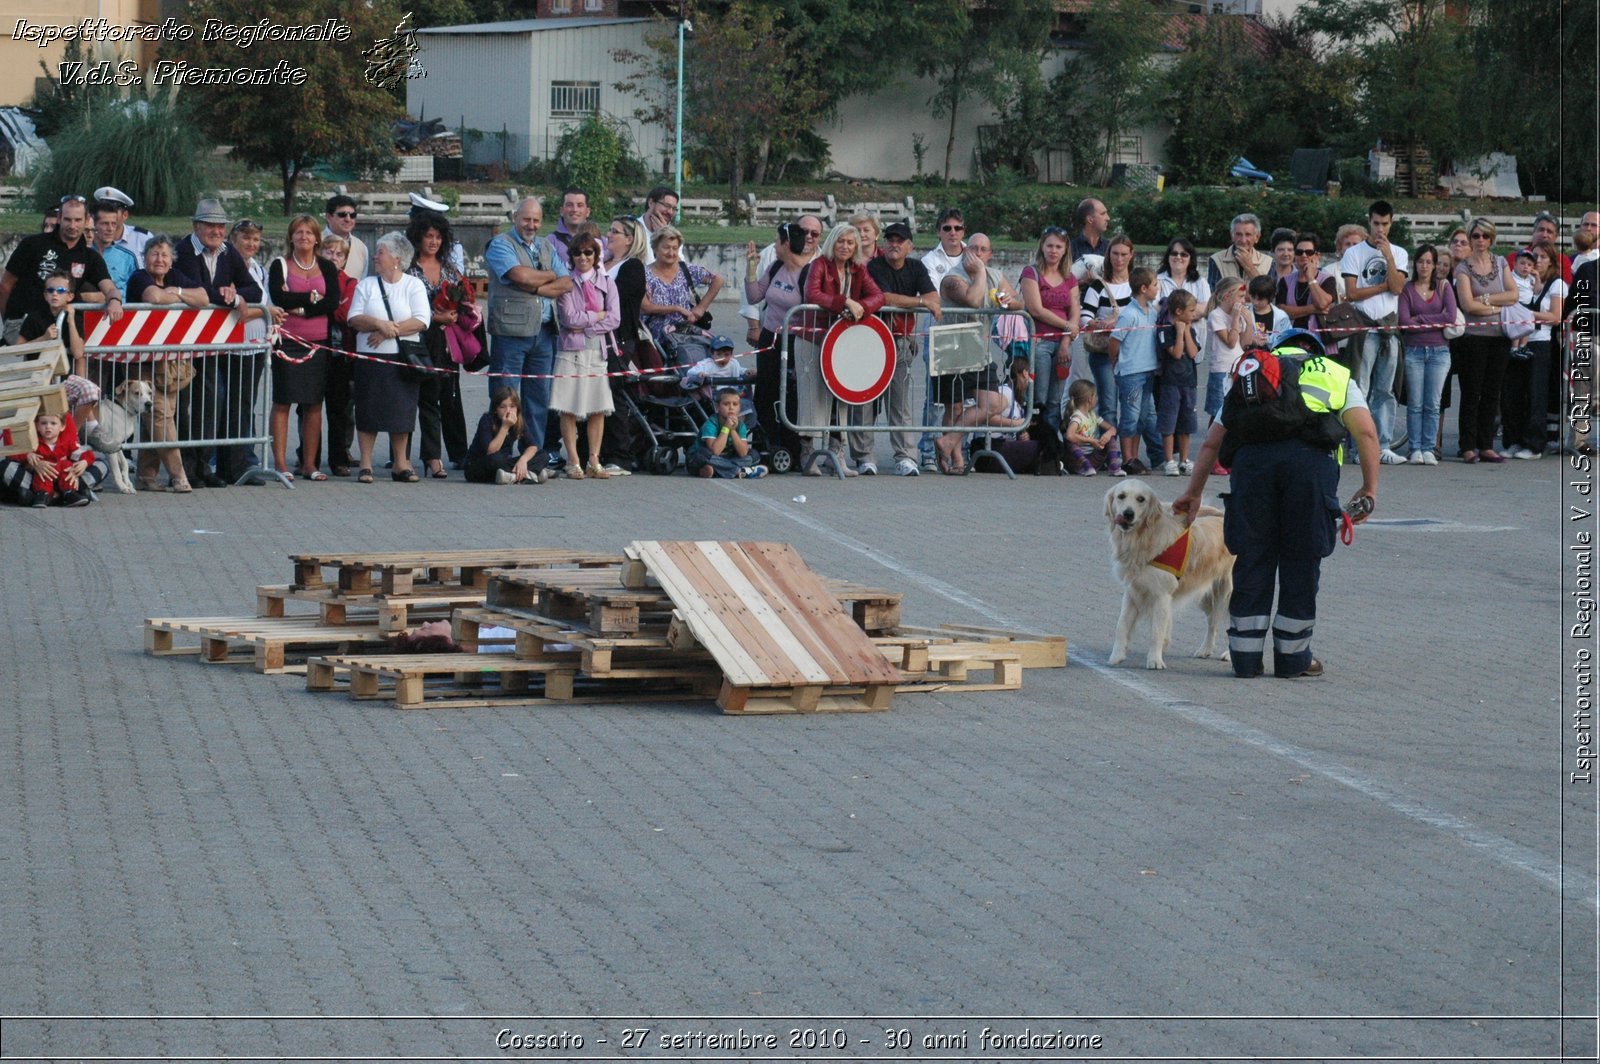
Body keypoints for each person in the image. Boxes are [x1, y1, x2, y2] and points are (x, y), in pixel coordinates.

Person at [1173, 330, 1380, 679]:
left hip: (1253, 473)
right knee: (1301, 562)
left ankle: (1245, 658)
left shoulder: (1252, 375)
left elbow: (1210, 444)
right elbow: (1366, 433)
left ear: (1277, 350)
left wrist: (1193, 494)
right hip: (1310, 474)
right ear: (1314, 350)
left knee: (1252, 559)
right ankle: (1293, 659)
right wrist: (1369, 488)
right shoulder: (1335, 372)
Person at [173, 198, 263, 488]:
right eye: (210, 225)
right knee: (184, 405)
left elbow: (254, 290)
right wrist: (223, 295)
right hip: (183, 341)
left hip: (212, 343)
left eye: (220, 226)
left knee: (210, 402)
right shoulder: (183, 250)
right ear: (196, 226)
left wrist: (236, 296)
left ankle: (203, 466)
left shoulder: (228, 253)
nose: (216, 231)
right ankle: (186, 468)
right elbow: (192, 289)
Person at [485, 196, 572, 446]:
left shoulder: (546, 245)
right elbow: (519, 275)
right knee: (505, 397)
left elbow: (566, 283)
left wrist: (536, 288)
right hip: (510, 334)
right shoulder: (500, 244)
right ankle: (499, 451)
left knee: (538, 400)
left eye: (536, 220)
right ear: (515, 218)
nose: (531, 225)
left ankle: (532, 453)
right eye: (526, 219)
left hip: (544, 334)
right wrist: (550, 275)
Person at [347, 231, 431, 483]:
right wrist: (376, 323)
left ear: (397, 258)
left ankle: (401, 463)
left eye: (380, 252)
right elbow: (354, 318)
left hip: (403, 360)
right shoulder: (366, 285)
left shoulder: (413, 284)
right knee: (368, 410)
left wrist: (387, 331)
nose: (375, 256)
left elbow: (421, 320)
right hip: (370, 360)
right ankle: (366, 464)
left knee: (402, 412)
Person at [125, 235, 208, 492]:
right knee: (161, 415)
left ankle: (146, 477)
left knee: (159, 415)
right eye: (154, 254)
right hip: (143, 361)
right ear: (145, 257)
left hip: (169, 361)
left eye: (164, 255)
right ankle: (178, 474)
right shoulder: (140, 277)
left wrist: (178, 291)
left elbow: (203, 298)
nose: (159, 259)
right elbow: (154, 298)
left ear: (172, 260)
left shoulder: (175, 279)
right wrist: (180, 297)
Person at [801, 223, 885, 476]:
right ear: (832, 242)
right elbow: (812, 294)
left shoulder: (859, 269)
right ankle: (808, 457)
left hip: (843, 343)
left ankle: (836, 454)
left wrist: (861, 307)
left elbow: (878, 296)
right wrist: (845, 302)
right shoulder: (819, 265)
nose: (845, 247)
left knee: (842, 398)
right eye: (841, 241)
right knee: (811, 398)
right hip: (812, 338)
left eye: (850, 242)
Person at [935, 232, 1014, 476]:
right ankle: (956, 459)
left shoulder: (996, 276)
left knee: (992, 403)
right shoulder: (951, 278)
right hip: (952, 347)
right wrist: (979, 273)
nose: (977, 254)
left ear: (989, 254)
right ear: (966, 250)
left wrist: (1007, 300)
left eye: (983, 250)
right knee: (955, 408)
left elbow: (1018, 303)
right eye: (973, 248)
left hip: (980, 350)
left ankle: (947, 442)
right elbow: (972, 299)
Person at [267, 215, 339, 481]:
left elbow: (331, 302)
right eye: (298, 232)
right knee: (283, 401)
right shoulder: (280, 265)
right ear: (291, 237)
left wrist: (299, 307)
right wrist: (309, 299)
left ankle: (309, 464)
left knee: (313, 404)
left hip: (318, 343)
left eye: (309, 232)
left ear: (317, 238)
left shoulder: (327, 268)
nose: (304, 237)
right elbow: (278, 297)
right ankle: (280, 463)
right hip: (287, 342)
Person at [748, 217, 822, 470]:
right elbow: (754, 295)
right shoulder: (776, 266)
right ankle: (765, 444)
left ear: (786, 243)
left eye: (777, 240)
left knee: (791, 393)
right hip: (771, 337)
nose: (775, 245)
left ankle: (793, 447)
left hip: (796, 340)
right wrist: (751, 267)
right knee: (765, 391)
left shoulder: (809, 273)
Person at [866, 220, 940, 477]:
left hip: (900, 341)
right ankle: (865, 457)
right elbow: (883, 298)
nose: (894, 244)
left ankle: (906, 457)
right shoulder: (875, 266)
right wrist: (918, 302)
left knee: (900, 402)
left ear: (910, 246)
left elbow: (934, 299)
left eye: (899, 240)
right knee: (867, 400)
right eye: (890, 240)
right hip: (872, 340)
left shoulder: (917, 267)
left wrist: (922, 301)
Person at [0, 194, 124, 345]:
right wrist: (8, 319)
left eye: (78, 220)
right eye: (67, 219)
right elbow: (6, 285)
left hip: (60, 329)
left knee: (68, 364)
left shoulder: (90, 257)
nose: (72, 226)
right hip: (22, 326)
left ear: (86, 220)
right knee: (29, 367)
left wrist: (114, 300)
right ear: (59, 218)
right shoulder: (32, 244)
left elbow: (110, 287)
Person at [1339, 200, 1409, 464]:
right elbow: (1353, 292)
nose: (1380, 229)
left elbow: (1399, 288)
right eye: (1376, 223)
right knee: (1361, 389)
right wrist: (1384, 287)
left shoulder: (1399, 253)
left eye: (1385, 224)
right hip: (1365, 327)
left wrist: (1388, 256)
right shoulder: (1354, 253)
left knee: (1386, 390)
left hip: (1388, 328)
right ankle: (1359, 448)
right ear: (1369, 221)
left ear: (1391, 223)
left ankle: (1383, 445)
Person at [405, 211, 470, 479]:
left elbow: (464, 301)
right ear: (417, 238)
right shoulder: (408, 270)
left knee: (450, 397)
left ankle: (457, 453)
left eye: (438, 237)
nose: (433, 242)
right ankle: (427, 457)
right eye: (428, 236)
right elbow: (403, 307)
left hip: (446, 343)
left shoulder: (450, 270)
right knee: (422, 399)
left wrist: (457, 314)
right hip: (417, 341)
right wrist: (434, 317)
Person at [551, 234, 620, 479]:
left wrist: (588, 325)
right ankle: (573, 460)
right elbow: (569, 318)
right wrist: (597, 316)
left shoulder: (607, 282)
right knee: (567, 407)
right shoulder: (566, 283)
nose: (583, 257)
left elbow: (614, 318)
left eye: (588, 252)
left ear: (596, 256)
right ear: (571, 257)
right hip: (570, 350)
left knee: (597, 407)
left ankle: (594, 459)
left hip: (597, 350)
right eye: (578, 253)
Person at [1453, 217, 1518, 463]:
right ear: (1470, 238)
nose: (1480, 240)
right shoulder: (1462, 269)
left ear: (1492, 238)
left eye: (1485, 236)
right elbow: (1467, 304)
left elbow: (1514, 294)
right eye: (1476, 236)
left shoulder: (1500, 262)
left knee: (1492, 392)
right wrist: (1496, 305)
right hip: (1474, 338)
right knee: (1471, 392)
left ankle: (1486, 444)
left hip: (1499, 336)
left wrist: (1486, 301)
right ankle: (1468, 445)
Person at [1396, 243, 1458, 465]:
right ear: (1415, 264)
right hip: (1413, 351)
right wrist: (1434, 320)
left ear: (1434, 266)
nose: (1424, 266)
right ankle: (1415, 448)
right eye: (1421, 261)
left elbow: (1450, 317)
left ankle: (1429, 447)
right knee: (1415, 403)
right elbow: (1404, 322)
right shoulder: (1407, 289)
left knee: (1433, 403)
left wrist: (1420, 319)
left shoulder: (1444, 287)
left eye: (1428, 262)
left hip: (1439, 352)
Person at [18, 268, 102, 433]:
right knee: (46, 418)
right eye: (50, 290)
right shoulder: (35, 317)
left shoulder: (75, 318)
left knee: (91, 391)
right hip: (39, 379)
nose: (54, 294)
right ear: (45, 295)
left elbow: (78, 353)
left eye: (61, 290)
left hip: (65, 379)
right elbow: (18, 349)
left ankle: (71, 433)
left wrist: (70, 320)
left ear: (70, 296)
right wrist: (43, 339)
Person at [1019, 226, 1079, 453]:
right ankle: (1032, 444)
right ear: (1042, 247)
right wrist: (1066, 326)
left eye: (1058, 247)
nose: (1054, 251)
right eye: (1050, 246)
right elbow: (1036, 309)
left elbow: (1074, 312)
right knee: (1039, 398)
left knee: (1055, 400)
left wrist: (1066, 340)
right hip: (1040, 341)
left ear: (1065, 250)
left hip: (1063, 343)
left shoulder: (1070, 278)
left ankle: (1051, 450)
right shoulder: (1031, 273)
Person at [1503, 240, 1566, 459]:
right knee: (1513, 393)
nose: (1537, 261)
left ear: (1551, 261)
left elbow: (1555, 316)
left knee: (1536, 393)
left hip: (1540, 341)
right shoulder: (1524, 280)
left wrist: (1527, 315)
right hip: (1518, 338)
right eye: (1534, 257)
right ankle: (1513, 440)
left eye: (1542, 257)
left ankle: (1535, 444)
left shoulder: (1556, 284)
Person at [1107, 266, 1163, 475]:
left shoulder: (1152, 312)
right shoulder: (1129, 314)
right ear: (1143, 288)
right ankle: (1127, 459)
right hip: (1131, 373)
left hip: (1147, 371)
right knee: (1130, 416)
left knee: (1143, 416)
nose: (1158, 289)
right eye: (1155, 285)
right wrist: (1117, 364)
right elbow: (1114, 342)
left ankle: (1134, 456)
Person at [641, 225, 722, 364]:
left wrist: (700, 308)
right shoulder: (644, 274)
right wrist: (676, 308)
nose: (671, 253)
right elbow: (645, 307)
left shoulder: (686, 269)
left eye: (675, 248)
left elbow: (717, 280)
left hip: (684, 336)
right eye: (666, 247)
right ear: (654, 248)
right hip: (655, 339)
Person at [1080, 234, 1135, 430]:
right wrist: (1099, 324)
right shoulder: (1097, 286)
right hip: (1104, 352)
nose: (1119, 259)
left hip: (1133, 353)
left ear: (1131, 255)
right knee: (1108, 406)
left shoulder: (1136, 285)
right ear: (1108, 255)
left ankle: (1132, 456)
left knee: (1133, 408)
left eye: (1123, 254)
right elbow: (1085, 316)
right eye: (1115, 254)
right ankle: (1110, 453)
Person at [0, 410, 105, 507]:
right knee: (6, 466)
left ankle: (67, 493)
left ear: (62, 426)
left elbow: (79, 452)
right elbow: (13, 452)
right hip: (38, 478)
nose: (48, 427)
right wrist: (29, 458)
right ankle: (47, 495)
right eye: (43, 423)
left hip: (65, 477)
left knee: (101, 465)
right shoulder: (35, 441)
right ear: (36, 426)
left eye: (53, 424)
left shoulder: (65, 431)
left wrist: (83, 463)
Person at [318, 235, 359, 476]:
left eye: (339, 254)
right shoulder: (311, 278)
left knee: (339, 409)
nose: (333, 257)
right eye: (328, 252)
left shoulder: (349, 282)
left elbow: (345, 313)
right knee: (309, 407)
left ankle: (339, 458)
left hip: (340, 352)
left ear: (344, 260)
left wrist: (318, 305)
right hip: (313, 347)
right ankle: (307, 457)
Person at [1157, 289, 1202, 476]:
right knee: (1169, 423)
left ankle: (1184, 459)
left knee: (1186, 423)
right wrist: (1178, 333)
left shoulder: (1190, 329)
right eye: (1191, 311)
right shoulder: (1164, 330)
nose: (1194, 315)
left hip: (1188, 383)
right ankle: (1169, 460)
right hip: (1170, 383)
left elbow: (1192, 353)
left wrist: (1186, 333)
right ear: (1178, 311)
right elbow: (1176, 353)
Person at [465, 387, 548, 485]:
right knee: (496, 459)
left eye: (512, 406)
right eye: (503, 407)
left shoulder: (518, 420)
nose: (508, 411)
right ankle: (529, 474)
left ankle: (512, 476)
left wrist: (523, 460)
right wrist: (505, 426)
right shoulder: (486, 420)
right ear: (495, 409)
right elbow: (491, 451)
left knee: (543, 455)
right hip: (479, 465)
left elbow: (532, 446)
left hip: (504, 464)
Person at [688, 387, 768, 479]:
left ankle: (717, 470)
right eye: (726, 404)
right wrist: (726, 428)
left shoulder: (741, 425)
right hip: (704, 458)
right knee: (702, 454)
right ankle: (740, 471)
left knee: (754, 455)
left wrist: (733, 430)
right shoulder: (711, 423)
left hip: (725, 459)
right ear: (718, 407)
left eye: (735, 404)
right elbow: (715, 451)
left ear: (739, 407)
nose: (731, 408)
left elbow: (743, 453)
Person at [1204, 277, 1250, 425]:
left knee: (1236, 407)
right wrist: (1235, 319)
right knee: (1218, 410)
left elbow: (1244, 344)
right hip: (1222, 369)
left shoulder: (1237, 317)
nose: (1243, 301)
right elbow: (1230, 342)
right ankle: (1211, 442)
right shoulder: (1216, 315)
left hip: (1237, 366)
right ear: (1227, 296)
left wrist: (1249, 324)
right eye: (1241, 296)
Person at [1276, 232, 1335, 333]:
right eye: (1299, 252)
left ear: (1317, 256)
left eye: (1309, 252)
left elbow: (1322, 304)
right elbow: (1282, 311)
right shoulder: (1285, 281)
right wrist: (1314, 309)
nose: (1304, 255)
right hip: (1292, 337)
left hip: (1320, 340)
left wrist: (1310, 277)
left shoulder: (1328, 279)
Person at [1063, 378, 1121, 476]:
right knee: (1069, 442)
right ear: (1090, 399)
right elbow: (1069, 435)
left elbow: (1113, 429)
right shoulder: (1077, 417)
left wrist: (1107, 435)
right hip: (1077, 460)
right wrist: (1091, 441)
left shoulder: (1093, 415)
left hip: (1093, 458)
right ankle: (1085, 466)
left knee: (1111, 438)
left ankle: (1113, 466)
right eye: (1096, 396)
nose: (1097, 398)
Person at [1206, 212, 1270, 288]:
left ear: (1257, 237)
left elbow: (1269, 295)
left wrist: (1250, 268)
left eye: (1248, 234)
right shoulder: (1216, 260)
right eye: (1238, 234)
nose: (1243, 240)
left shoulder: (1268, 262)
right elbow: (1215, 294)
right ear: (1232, 236)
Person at [89, 201, 139, 298]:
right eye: (105, 224)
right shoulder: (83, 254)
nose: (110, 229)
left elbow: (136, 291)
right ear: (93, 225)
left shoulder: (128, 258)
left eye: (114, 224)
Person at [91, 185, 153, 260]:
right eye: (104, 211)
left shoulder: (142, 238)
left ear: (125, 215)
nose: (108, 215)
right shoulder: (90, 237)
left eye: (113, 211)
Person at [324, 194, 368, 279]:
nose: (348, 219)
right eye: (342, 215)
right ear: (329, 217)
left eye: (352, 215)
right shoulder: (314, 242)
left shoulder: (361, 248)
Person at [921, 208, 968, 289]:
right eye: (947, 228)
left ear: (963, 232)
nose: (953, 233)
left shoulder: (974, 254)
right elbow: (934, 294)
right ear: (938, 232)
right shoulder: (928, 261)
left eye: (957, 228)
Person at [549, 186, 591, 268]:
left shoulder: (601, 241)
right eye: (569, 205)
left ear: (588, 212)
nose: (575, 209)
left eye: (580, 205)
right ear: (561, 211)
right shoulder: (550, 242)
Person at [1245, 275, 1288, 347]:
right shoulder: (1245, 312)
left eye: (1260, 299)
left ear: (1270, 298)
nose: (1255, 302)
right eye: (1253, 297)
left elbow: (1286, 339)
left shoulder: (1281, 317)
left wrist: (1268, 340)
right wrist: (1252, 339)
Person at [1070, 198, 1111, 264]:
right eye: (1103, 214)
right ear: (1090, 219)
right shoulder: (1070, 249)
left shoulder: (1111, 248)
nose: (1108, 218)